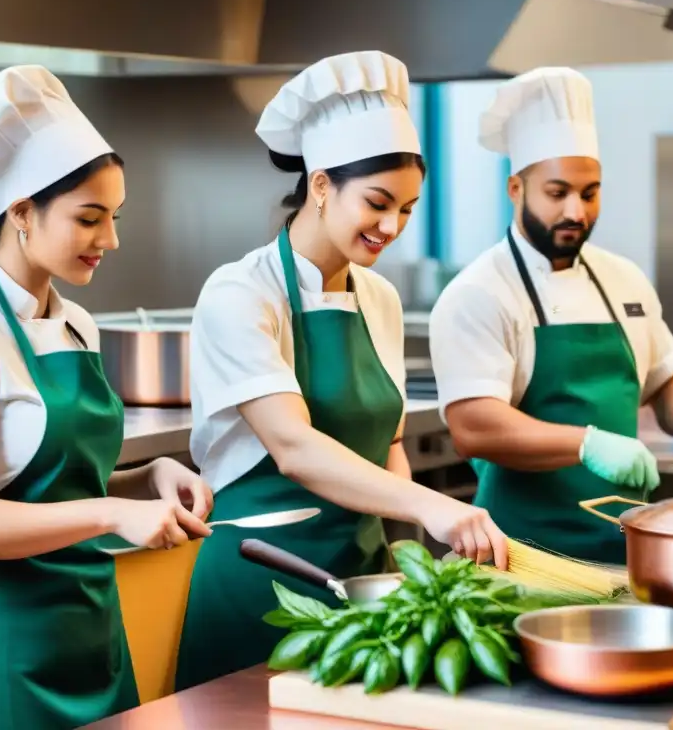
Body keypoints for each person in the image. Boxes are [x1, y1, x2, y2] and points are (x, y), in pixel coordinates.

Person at [0, 65, 213, 730]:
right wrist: (108, 517)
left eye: (114, 217)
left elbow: (56, 487)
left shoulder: (74, 324)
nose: (112, 240)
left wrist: (145, 478)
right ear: (20, 211)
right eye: (90, 219)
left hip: (86, 632)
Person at [175, 50, 509, 689]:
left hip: (360, 588)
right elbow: (295, 448)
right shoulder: (241, 292)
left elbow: (386, 447)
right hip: (259, 582)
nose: (393, 226)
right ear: (322, 184)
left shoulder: (377, 297)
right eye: (379, 202)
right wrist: (435, 508)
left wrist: (407, 558)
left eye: (408, 209)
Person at [428, 67, 673, 565]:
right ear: (515, 188)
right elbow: (475, 427)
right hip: (520, 554)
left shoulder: (623, 278)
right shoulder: (479, 293)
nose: (576, 210)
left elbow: (669, 373)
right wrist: (588, 445)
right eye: (557, 193)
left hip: (623, 546)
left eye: (589, 192)